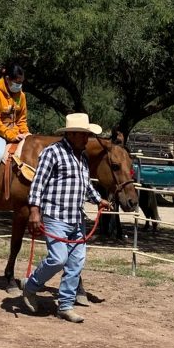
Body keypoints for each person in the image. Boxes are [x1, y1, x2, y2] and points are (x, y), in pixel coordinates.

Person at [22, 113, 110, 323]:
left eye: (87, 136)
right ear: (71, 134)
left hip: (76, 218)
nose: (86, 140)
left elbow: (85, 184)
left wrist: (98, 200)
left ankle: (66, 305)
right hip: (55, 216)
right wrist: (35, 211)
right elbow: (38, 183)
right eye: (83, 135)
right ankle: (31, 286)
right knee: (58, 259)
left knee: (76, 263)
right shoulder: (52, 153)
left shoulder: (82, 158)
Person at [0, 63, 30, 218]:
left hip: (14, 132)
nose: (19, 85)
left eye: (21, 83)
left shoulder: (20, 95)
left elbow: (21, 118)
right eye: (17, 82)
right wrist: (11, 135)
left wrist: (26, 134)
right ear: (8, 79)